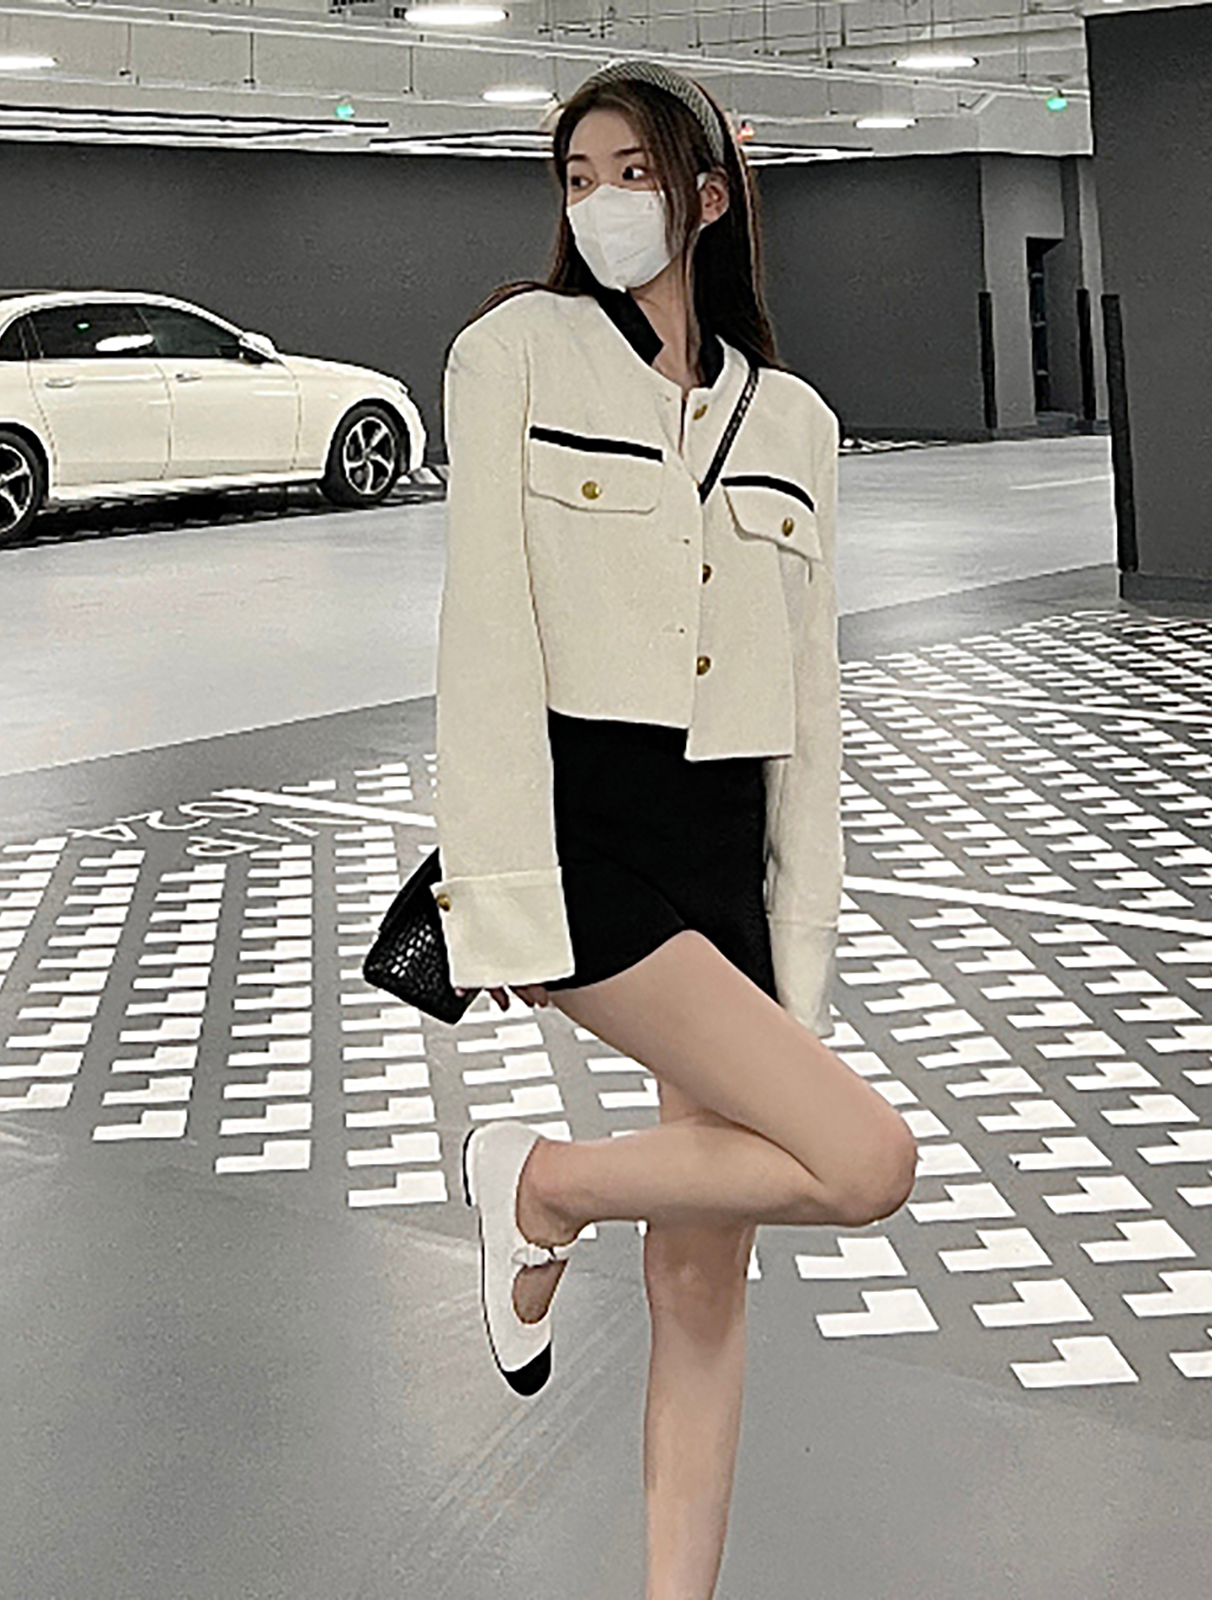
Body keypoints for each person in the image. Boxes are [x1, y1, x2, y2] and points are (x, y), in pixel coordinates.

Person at [432, 57, 918, 1600]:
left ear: (708, 197)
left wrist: (799, 954)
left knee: (705, 1285)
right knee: (865, 1159)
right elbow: (484, 638)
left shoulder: (797, 420)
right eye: (577, 177)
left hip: (727, 857)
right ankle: (542, 1183)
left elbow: (812, 717)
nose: (602, 203)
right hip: (594, 841)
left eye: (633, 174)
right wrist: (498, 894)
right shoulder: (513, 353)